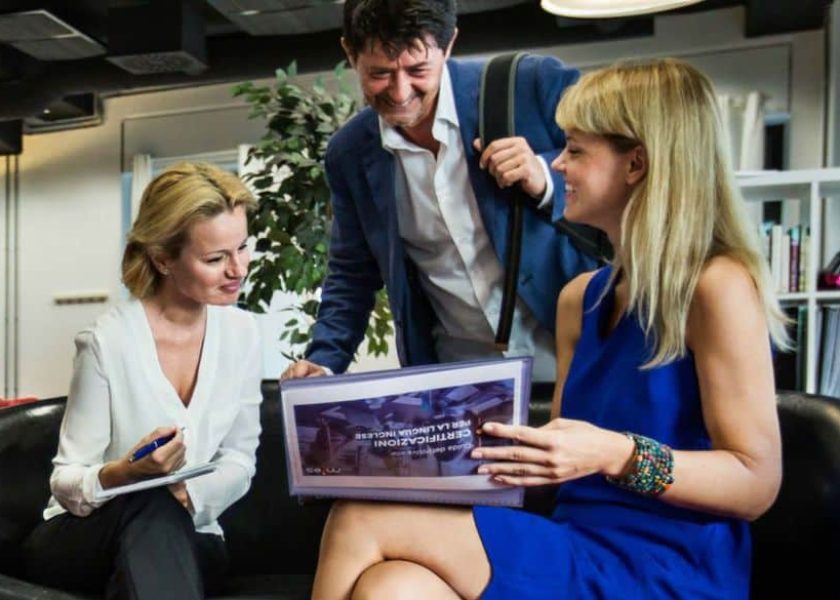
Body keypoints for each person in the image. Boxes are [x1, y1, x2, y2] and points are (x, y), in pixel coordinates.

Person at [309, 59, 789, 599]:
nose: (557, 164)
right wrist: (426, 446)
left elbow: (755, 483)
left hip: (669, 566)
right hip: (576, 542)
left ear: (636, 163)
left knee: (360, 515)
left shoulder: (717, 286)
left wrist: (616, 453)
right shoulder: (578, 300)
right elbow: (555, 469)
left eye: (576, 151)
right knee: (393, 587)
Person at [281, 0, 597, 383]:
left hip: (580, 354)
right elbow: (352, 272)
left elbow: (628, 171)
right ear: (350, 52)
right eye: (380, 73)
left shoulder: (531, 84)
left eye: (417, 70)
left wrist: (547, 175)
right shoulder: (349, 153)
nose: (400, 93)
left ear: (448, 46)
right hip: (459, 379)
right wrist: (325, 360)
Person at [22, 162, 262, 599]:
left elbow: (240, 459)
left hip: (192, 537)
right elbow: (66, 480)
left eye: (243, 248)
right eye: (215, 259)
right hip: (84, 538)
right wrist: (125, 474)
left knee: (162, 513)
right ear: (163, 258)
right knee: (150, 502)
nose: (238, 269)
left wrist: (186, 493)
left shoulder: (243, 334)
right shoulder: (106, 342)